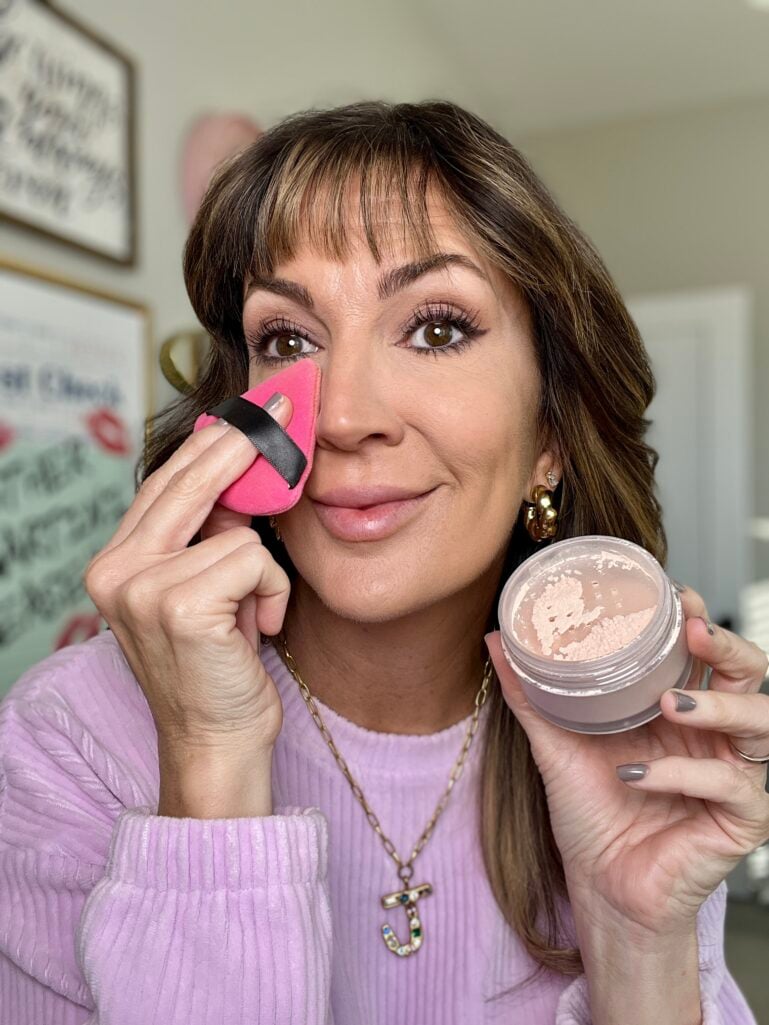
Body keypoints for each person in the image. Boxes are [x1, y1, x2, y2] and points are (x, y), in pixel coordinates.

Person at [1, 99, 767, 1025]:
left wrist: (638, 937)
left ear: (549, 436)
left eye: (435, 328)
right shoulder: (65, 739)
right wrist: (209, 770)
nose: (342, 416)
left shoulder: (631, 746)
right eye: (286, 339)